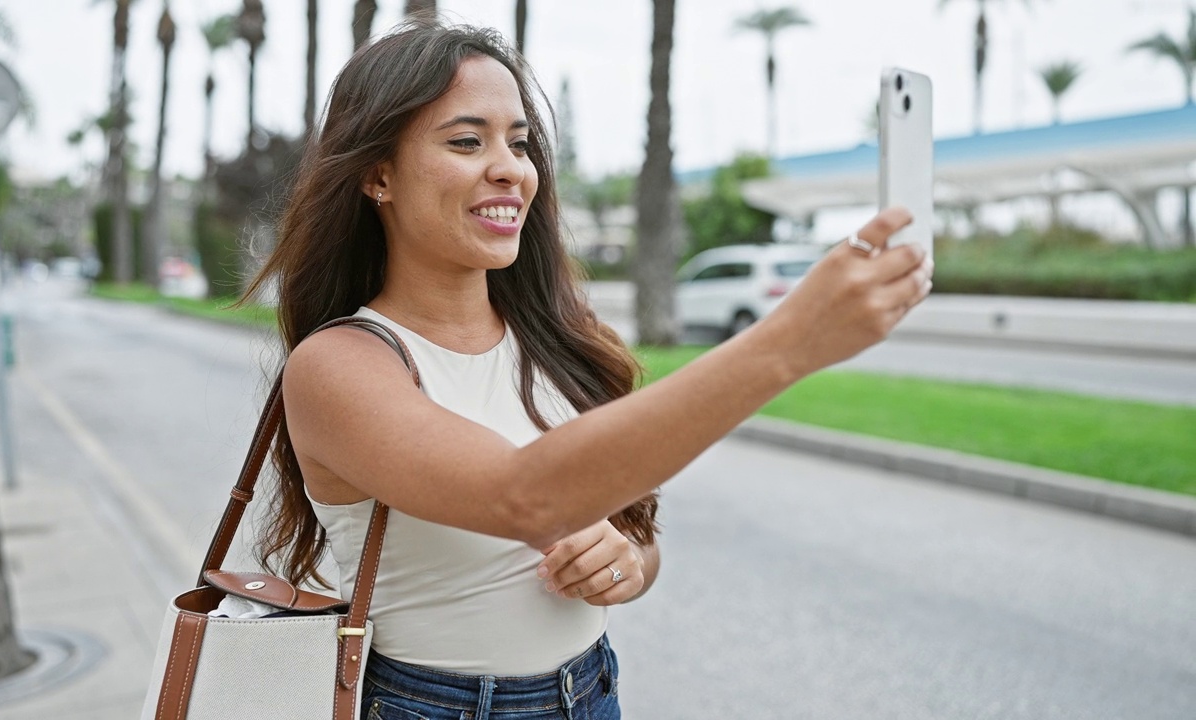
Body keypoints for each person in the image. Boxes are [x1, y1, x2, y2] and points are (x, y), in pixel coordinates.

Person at [244, 20, 932, 720]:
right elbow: (526, 498)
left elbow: (635, 531)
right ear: (377, 175)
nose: (511, 167)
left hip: (591, 691)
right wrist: (790, 342)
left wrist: (628, 566)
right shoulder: (339, 364)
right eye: (465, 140)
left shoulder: (561, 336)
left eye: (518, 141)